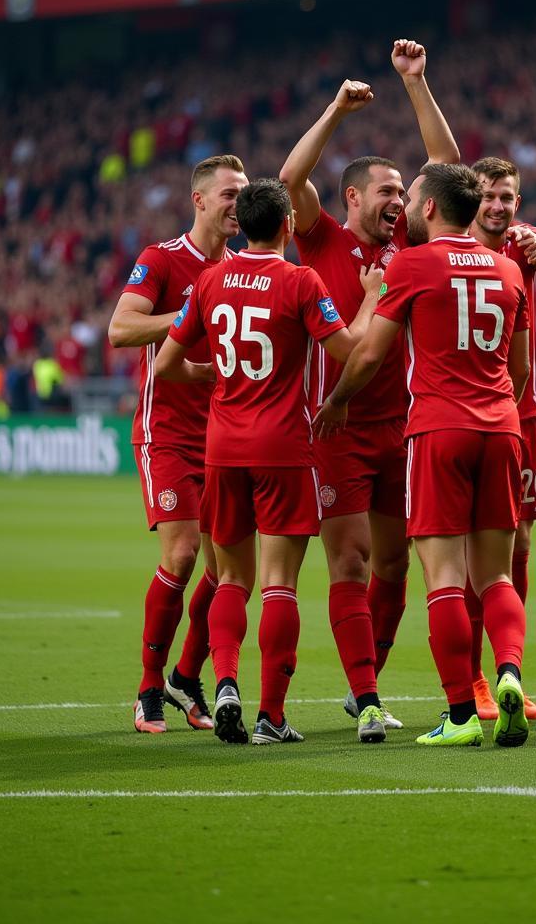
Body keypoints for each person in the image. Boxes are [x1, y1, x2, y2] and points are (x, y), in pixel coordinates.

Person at [153, 178, 385, 743]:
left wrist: (209, 375)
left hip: (222, 449)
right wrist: (374, 296)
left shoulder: (210, 280)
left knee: (230, 578)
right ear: (286, 226)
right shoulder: (301, 280)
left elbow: (164, 366)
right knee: (279, 584)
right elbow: (349, 346)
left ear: (244, 225)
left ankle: (225, 681)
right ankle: (271, 716)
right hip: (283, 447)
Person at [315, 163, 532, 748]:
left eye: (412, 197)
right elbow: (520, 370)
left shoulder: (410, 265)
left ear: (431, 208)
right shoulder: (510, 269)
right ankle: (509, 673)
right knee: (496, 576)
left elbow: (367, 357)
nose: (407, 204)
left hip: (438, 430)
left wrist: (336, 401)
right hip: (501, 428)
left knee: (442, 579)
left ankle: (461, 714)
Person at [279, 40, 459, 732]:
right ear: (353, 197)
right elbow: (292, 176)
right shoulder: (319, 237)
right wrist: (335, 109)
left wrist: (416, 82)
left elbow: (446, 170)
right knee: (349, 560)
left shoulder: (411, 242)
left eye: (401, 195)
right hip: (332, 425)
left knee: (393, 564)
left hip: (399, 426)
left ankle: (366, 683)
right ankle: (370, 699)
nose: (398, 202)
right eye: (387, 192)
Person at [109, 154, 248, 735]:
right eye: (229, 194)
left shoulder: (245, 269)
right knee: (184, 555)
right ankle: (147, 684)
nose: (238, 203)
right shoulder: (162, 260)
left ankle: (187, 676)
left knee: (226, 571)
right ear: (199, 200)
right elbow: (121, 329)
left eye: (244, 194)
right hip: (166, 433)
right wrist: (189, 315)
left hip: (225, 435)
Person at [465, 156, 536, 722]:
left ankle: (508, 672)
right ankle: (473, 679)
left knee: (519, 544)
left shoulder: (524, 247)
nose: (498, 206)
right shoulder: (446, 243)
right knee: (474, 554)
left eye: (508, 198)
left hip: (522, 418)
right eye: (489, 196)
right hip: (470, 415)